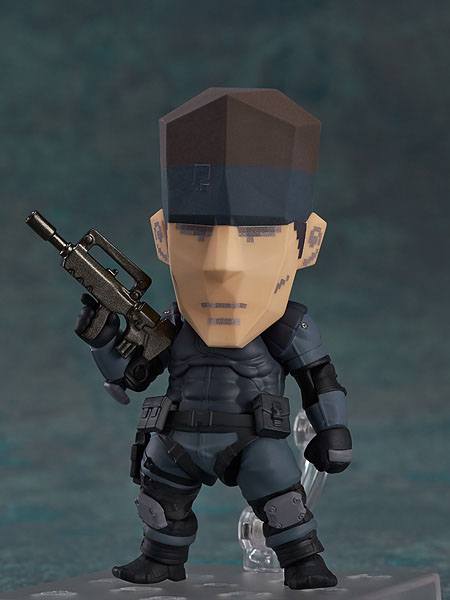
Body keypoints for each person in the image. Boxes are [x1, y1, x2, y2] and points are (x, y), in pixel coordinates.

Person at [75, 88, 352, 590]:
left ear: (307, 242)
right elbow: (131, 376)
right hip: (177, 435)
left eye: (256, 234)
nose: (223, 267)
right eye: (198, 234)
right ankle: (161, 560)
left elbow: (319, 378)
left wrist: (332, 431)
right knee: (159, 505)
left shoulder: (283, 324)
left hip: (255, 438)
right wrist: (103, 339)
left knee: (284, 506)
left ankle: (303, 563)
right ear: (163, 238)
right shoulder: (175, 322)